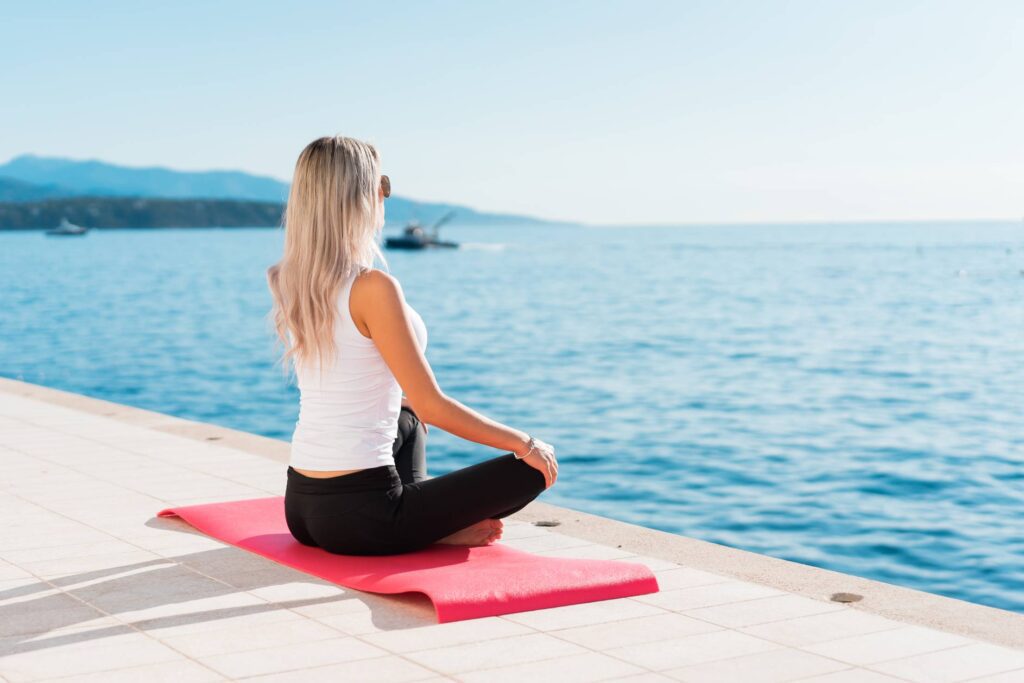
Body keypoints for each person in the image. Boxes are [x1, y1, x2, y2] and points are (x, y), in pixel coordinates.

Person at [265, 135, 558, 556]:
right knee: (534, 469)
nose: (385, 196)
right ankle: (424, 528)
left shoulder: (286, 278)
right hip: (364, 519)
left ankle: (426, 524)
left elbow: (410, 405)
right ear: (361, 197)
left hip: (301, 509)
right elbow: (434, 405)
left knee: (406, 417)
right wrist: (525, 443)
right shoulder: (372, 287)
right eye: (381, 185)